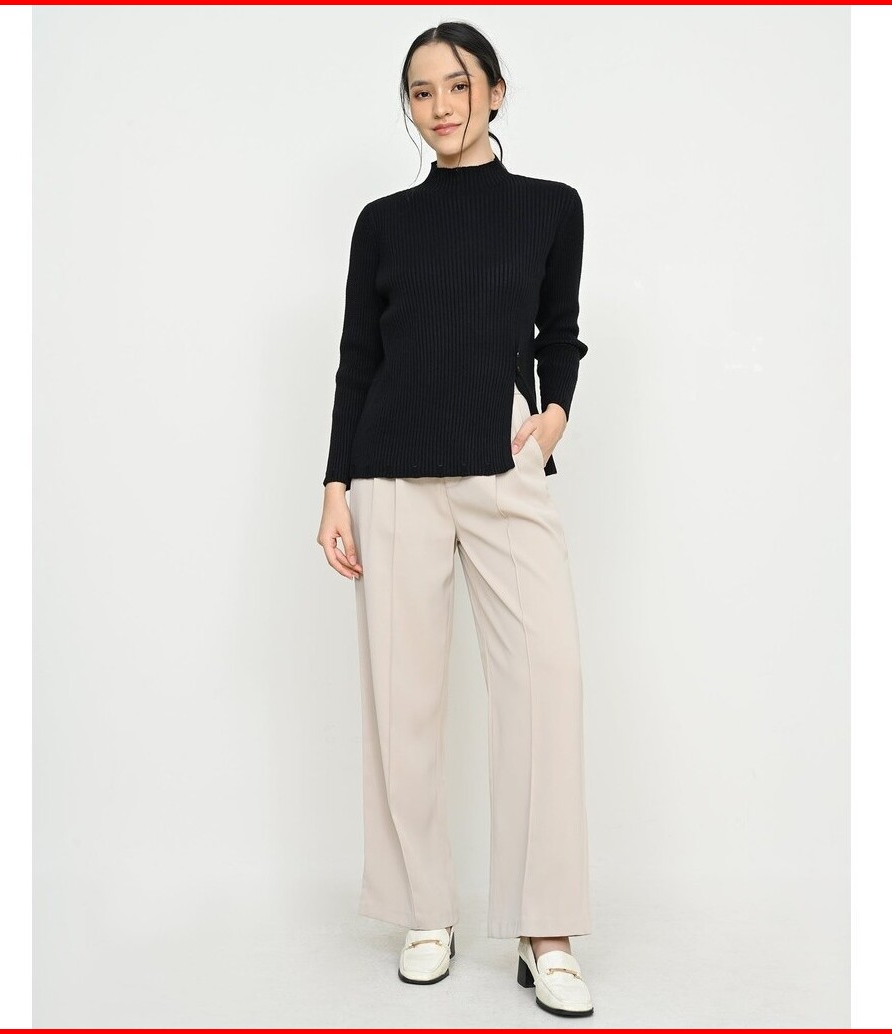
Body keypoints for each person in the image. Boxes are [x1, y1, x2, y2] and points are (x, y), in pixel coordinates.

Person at [316, 22, 594, 1019]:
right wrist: (335, 485)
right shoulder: (382, 223)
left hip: (500, 462)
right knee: (404, 699)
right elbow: (358, 356)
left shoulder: (550, 207)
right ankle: (421, 909)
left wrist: (552, 416)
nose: (439, 106)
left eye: (456, 85)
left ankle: (544, 928)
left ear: (496, 91)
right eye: (420, 91)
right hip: (391, 470)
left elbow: (559, 332)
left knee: (545, 684)